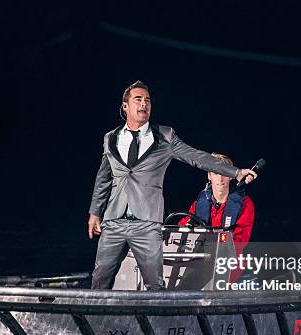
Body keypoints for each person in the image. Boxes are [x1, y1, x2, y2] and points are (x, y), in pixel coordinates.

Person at [88, 81, 257, 290]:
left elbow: (197, 157)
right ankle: (97, 322)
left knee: (155, 285)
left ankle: (156, 321)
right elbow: (104, 178)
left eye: (147, 100)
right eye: (138, 99)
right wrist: (95, 212)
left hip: (146, 222)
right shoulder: (111, 138)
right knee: (100, 280)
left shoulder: (164, 137)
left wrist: (236, 172)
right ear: (125, 106)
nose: (144, 104)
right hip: (114, 220)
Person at [178, 153, 255, 282]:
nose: (220, 178)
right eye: (215, 173)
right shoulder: (198, 204)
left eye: (224, 173)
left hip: (230, 269)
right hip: (199, 266)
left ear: (231, 176)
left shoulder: (245, 204)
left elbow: (240, 241)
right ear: (209, 176)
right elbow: (180, 230)